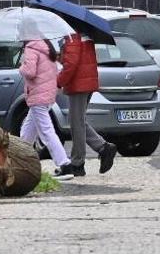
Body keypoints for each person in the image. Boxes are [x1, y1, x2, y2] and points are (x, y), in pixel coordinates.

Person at [57, 32, 117, 176]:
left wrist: (58, 81)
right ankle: (103, 148)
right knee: (78, 121)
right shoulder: (84, 35)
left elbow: (71, 63)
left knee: (76, 123)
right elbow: (75, 58)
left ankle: (77, 163)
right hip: (86, 81)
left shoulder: (72, 36)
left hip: (79, 84)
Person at [17, 36, 74, 179]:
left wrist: (21, 66)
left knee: (46, 132)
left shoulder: (31, 48)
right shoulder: (46, 46)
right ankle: (20, 163)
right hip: (47, 95)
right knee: (27, 132)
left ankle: (65, 165)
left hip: (38, 96)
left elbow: (29, 72)